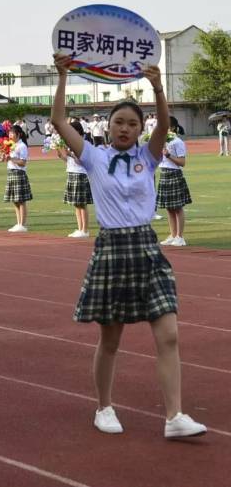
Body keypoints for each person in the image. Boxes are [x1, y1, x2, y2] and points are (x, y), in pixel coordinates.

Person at [52, 53, 206, 439]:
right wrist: (62, 77)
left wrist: (157, 87)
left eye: (132, 124)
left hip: (147, 248)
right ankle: (104, 406)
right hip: (112, 249)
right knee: (111, 338)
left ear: (140, 129)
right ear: (107, 126)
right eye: (119, 122)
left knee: (168, 333)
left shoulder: (149, 157)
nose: (124, 128)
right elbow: (57, 121)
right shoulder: (94, 156)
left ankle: (174, 417)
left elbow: (166, 124)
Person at [156, 117, 191, 247]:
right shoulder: (161, 141)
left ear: (173, 128)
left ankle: (180, 237)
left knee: (177, 207)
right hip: (164, 174)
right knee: (169, 208)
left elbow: (182, 162)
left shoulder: (177, 142)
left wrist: (168, 155)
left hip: (174, 174)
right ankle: (172, 234)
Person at [57, 120, 92, 238]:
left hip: (80, 174)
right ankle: (79, 228)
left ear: (77, 130)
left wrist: (70, 153)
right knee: (76, 204)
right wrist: (60, 153)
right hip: (72, 173)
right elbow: (68, 160)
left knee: (82, 204)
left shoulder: (84, 143)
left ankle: (85, 230)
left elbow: (84, 161)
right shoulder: (70, 142)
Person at [3, 125, 32, 232]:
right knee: (15, 200)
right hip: (11, 172)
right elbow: (12, 160)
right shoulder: (11, 145)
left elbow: (22, 163)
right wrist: (7, 157)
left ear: (18, 134)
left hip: (19, 173)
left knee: (21, 200)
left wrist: (11, 158)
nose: (10, 135)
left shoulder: (22, 146)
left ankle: (22, 224)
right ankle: (18, 223)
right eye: (9, 133)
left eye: (12, 133)